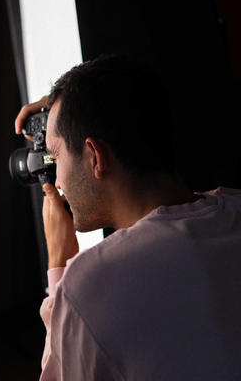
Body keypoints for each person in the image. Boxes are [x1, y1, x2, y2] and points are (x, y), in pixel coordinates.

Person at [16, 53, 241, 380]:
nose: (57, 180)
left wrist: (58, 265)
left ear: (95, 156)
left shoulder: (89, 285)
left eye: (55, 156)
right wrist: (75, 104)